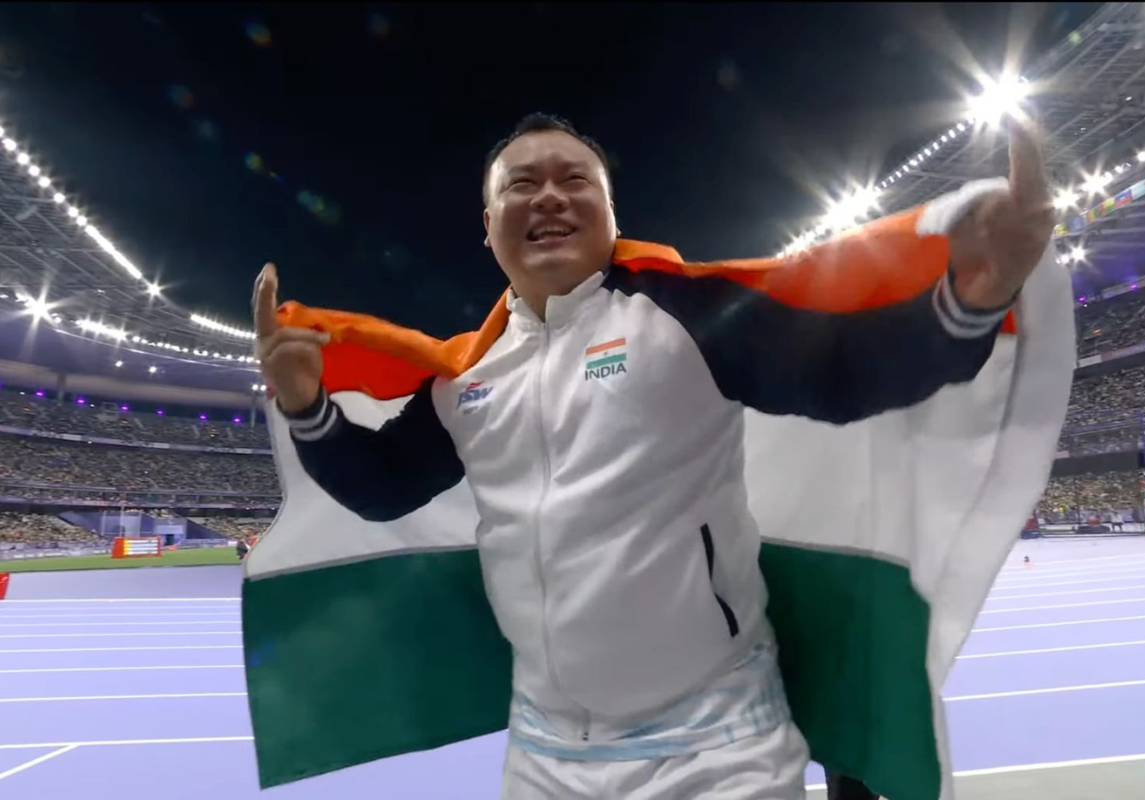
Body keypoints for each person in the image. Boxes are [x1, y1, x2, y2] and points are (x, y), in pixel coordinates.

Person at [253, 113, 1053, 799]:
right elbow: (385, 488)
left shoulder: (682, 315)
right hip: (546, 749)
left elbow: (837, 371)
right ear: (488, 223)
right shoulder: (466, 376)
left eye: (576, 179)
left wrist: (967, 301)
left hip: (714, 743)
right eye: (522, 185)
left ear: (608, 211)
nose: (551, 195)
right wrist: (306, 407)